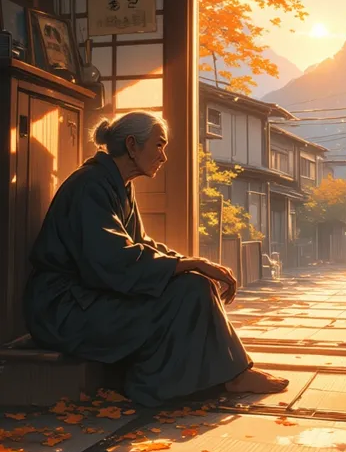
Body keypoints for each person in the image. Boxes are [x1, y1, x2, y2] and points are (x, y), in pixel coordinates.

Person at [23, 111, 288, 407]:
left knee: (194, 284)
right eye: (159, 145)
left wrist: (192, 263)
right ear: (133, 145)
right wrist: (191, 264)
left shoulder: (117, 183)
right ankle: (223, 376)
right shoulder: (90, 185)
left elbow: (140, 244)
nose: (163, 156)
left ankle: (206, 377)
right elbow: (112, 258)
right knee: (191, 287)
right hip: (64, 310)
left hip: (89, 297)